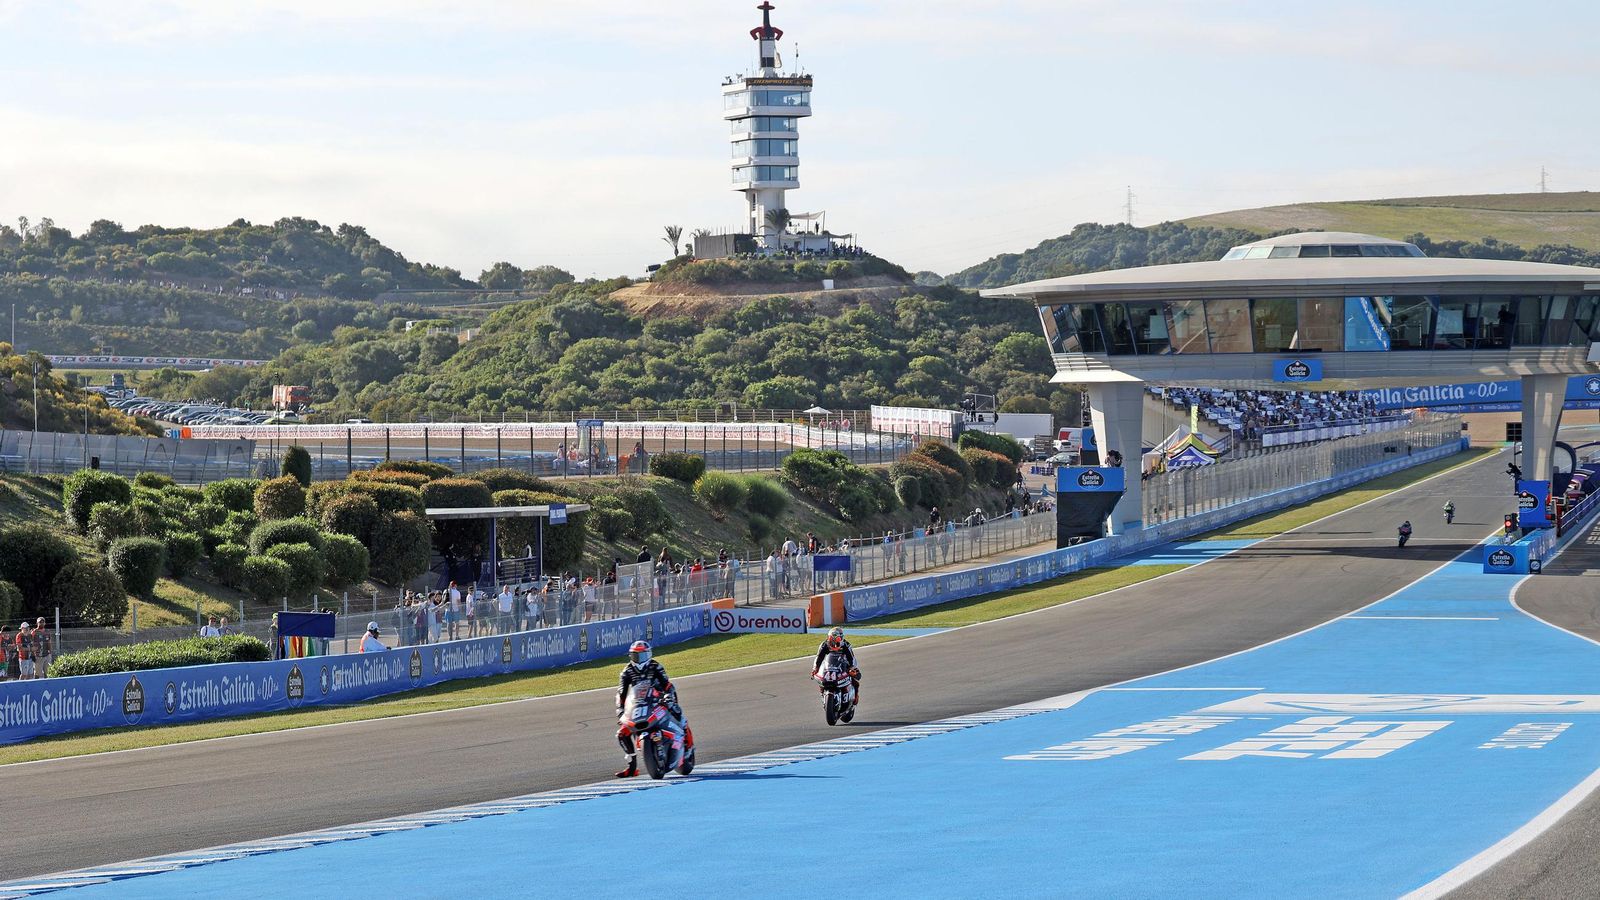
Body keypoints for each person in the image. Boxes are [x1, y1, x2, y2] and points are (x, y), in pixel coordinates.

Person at [614, 640, 685, 777]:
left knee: (678, 713)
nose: (640, 660)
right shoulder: (627, 671)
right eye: (636, 656)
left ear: (649, 655)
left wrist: (669, 697)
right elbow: (621, 693)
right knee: (622, 733)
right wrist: (620, 710)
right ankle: (632, 767)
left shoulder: (656, 666)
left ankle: (686, 741)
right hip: (639, 705)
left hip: (659, 700)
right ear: (631, 656)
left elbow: (667, 685)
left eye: (643, 656)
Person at [811, 626, 860, 704]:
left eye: (840, 638)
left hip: (843, 663)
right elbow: (819, 657)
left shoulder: (846, 645)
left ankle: (856, 695)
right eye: (837, 638)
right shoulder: (824, 645)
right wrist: (815, 668)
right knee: (821, 678)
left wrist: (852, 668)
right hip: (830, 665)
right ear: (830, 638)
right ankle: (822, 694)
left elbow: (852, 658)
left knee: (856, 677)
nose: (838, 640)